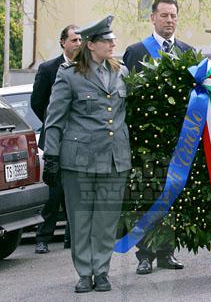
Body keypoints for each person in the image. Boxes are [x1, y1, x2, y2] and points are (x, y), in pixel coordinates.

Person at [42, 15, 131, 293]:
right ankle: (84, 273)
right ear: (91, 44)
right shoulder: (69, 75)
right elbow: (54, 119)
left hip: (114, 158)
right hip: (79, 159)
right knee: (81, 219)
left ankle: (101, 271)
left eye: (113, 39)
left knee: (106, 219)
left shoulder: (121, 72)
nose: (113, 44)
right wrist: (51, 157)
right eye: (107, 40)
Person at [123, 0, 193, 274]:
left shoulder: (187, 52)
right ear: (152, 18)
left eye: (173, 15)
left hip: (177, 138)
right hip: (146, 140)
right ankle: (145, 253)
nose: (169, 20)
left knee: (172, 194)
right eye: (164, 15)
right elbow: (128, 94)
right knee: (146, 195)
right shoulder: (136, 51)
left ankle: (167, 252)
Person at [32, 25, 81, 254]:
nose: (78, 44)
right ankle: (43, 237)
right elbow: (37, 102)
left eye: (80, 40)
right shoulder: (48, 68)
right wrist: (53, 123)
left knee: (75, 190)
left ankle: (72, 237)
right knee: (54, 191)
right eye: (74, 40)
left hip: (78, 139)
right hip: (55, 139)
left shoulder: (85, 67)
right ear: (63, 42)